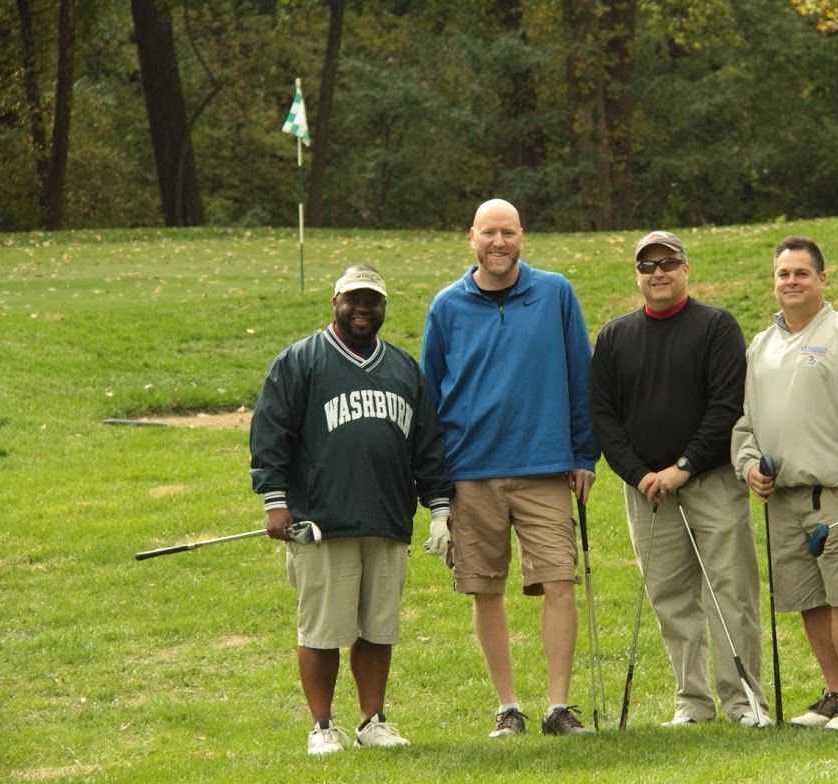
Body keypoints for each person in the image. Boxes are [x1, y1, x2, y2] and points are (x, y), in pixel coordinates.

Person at [250, 264, 454, 753]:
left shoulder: (405, 368)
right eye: (354, 299)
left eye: (373, 300)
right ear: (335, 301)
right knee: (322, 629)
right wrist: (275, 502)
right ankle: (323, 726)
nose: (363, 308)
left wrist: (440, 509)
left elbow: (427, 446)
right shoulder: (301, 361)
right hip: (321, 523)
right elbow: (270, 433)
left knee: (379, 627)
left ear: (384, 307)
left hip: (386, 520)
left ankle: (372, 720)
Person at [420, 198, 599, 738]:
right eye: (489, 233)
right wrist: (435, 482)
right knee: (484, 588)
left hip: (545, 465)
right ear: (470, 238)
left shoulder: (555, 293)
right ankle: (508, 708)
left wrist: (584, 455)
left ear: (523, 237)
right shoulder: (447, 306)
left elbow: (579, 377)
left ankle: (558, 707)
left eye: (510, 233)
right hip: (471, 470)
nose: (499, 243)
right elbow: (429, 396)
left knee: (559, 581)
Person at [590, 230, 770, 728]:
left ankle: (744, 701)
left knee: (731, 592)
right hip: (647, 492)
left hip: (710, 481)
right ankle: (691, 703)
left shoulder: (715, 326)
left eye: (668, 262)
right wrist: (640, 474)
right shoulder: (614, 337)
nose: (658, 273)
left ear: (686, 270)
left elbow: (725, 407)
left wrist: (683, 467)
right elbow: (604, 417)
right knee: (670, 599)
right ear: (638, 276)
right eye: (647, 266)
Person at [731, 236, 838, 731]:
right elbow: (746, 423)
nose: (791, 282)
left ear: (822, 279)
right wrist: (749, 465)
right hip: (783, 498)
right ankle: (833, 692)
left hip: (836, 493)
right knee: (807, 598)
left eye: (802, 273)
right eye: (783, 274)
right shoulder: (761, 346)